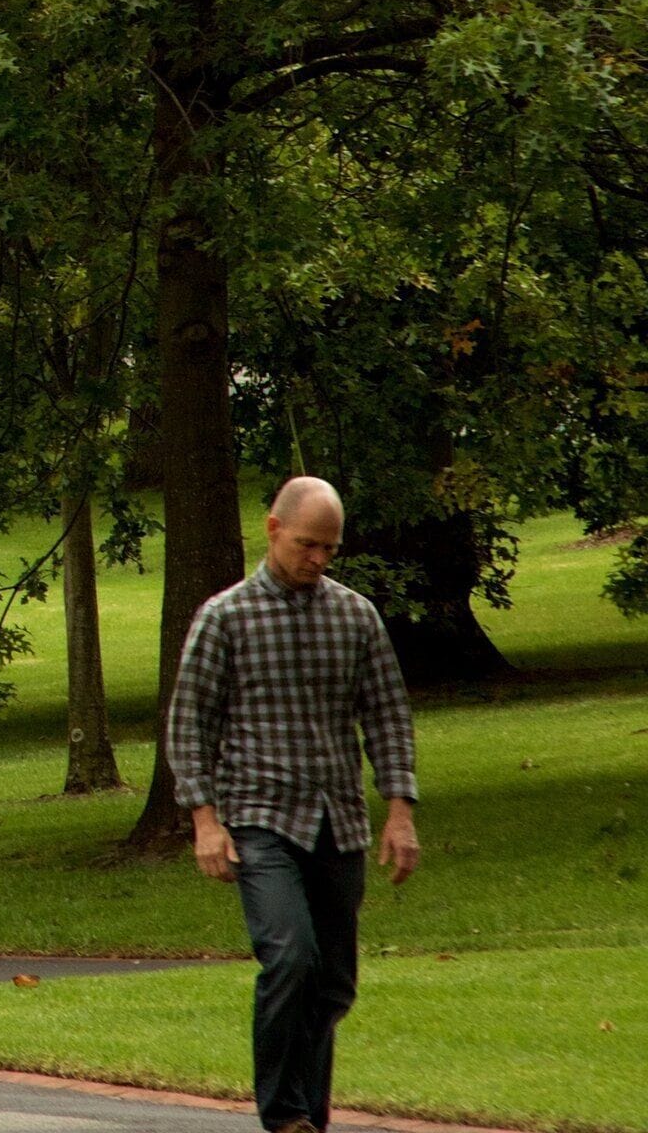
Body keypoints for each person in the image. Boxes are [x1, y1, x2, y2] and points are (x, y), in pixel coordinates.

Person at [164, 476, 423, 1133]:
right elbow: (190, 721)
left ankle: (311, 1115)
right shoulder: (224, 617)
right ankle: (285, 1117)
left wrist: (399, 811)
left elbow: (387, 715)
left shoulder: (355, 616)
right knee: (290, 956)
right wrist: (204, 820)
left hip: (338, 820)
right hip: (261, 820)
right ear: (273, 530)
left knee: (333, 983)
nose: (317, 560)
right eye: (308, 544)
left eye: (329, 550)